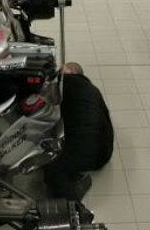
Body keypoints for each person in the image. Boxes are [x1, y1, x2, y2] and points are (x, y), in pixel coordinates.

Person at [45, 62, 114, 200]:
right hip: (105, 151)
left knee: (51, 171)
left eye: (61, 70)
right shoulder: (92, 89)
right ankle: (74, 172)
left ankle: (74, 200)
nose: (58, 74)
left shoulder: (67, 81)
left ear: (71, 70)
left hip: (89, 150)